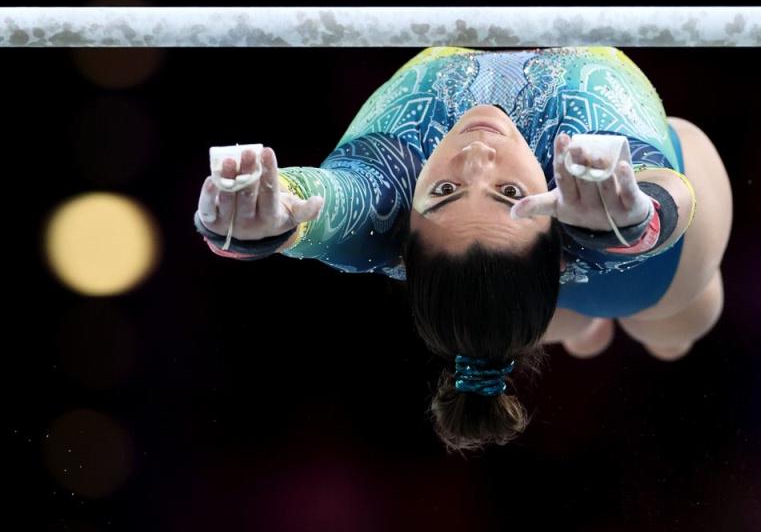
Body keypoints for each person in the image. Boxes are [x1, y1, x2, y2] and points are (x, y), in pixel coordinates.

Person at [194, 46, 733, 453]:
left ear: (402, 240)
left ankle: (574, 329)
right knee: (682, 321)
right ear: (560, 250)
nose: (477, 158)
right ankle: (613, 327)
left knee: (554, 324)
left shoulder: (387, 197)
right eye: (511, 194)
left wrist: (264, 223)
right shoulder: (586, 164)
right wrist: (635, 217)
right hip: (653, 274)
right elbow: (671, 193)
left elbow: (328, 208)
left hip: (521, 291)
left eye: (444, 193)